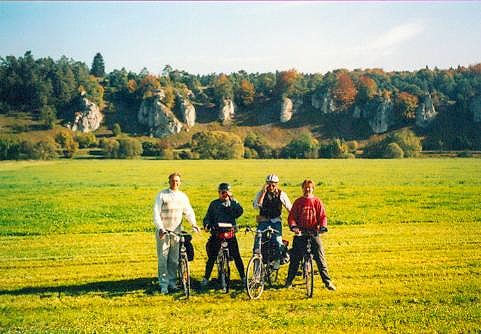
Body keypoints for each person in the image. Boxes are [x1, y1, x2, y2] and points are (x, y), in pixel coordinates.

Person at [153, 172, 200, 294]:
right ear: (169, 182)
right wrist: (160, 228)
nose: (175, 182)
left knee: (174, 259)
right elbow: (156, 213)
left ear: (180, 182)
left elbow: (188, 211)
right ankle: (163, 284)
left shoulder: (183, 197)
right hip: (164, 232)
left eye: (177, 180)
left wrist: (194, 224)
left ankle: (172, 283)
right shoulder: (162, 195)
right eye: (173, 180)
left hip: (176, 232)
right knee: (163, 258)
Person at [285, 179, 336, 291]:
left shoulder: (317, 202)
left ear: (313, 189)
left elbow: (323, 216)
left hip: (313, 232)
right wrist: (294, 226)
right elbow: (292, 217)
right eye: (305, 187)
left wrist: (322, 226)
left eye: (310, 187)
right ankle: (289, 281)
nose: (307, 189)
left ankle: (327, 282)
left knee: (320, 257)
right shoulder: (298, 202)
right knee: (295, 258)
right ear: (302, 188)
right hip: (301, 233)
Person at [201, 182, 245, 287]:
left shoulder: (233, 203)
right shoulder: (214, 204)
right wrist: (207, 225)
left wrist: (233, 200)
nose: (224, 194)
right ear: (219, 193)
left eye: (226, 192)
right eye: (222, 192)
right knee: (212, 257)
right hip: (217, 234)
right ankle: (206, 278)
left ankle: (243, 277)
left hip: (230, 234)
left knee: (237, 256)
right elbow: (207, 217)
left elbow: (239, 212)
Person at [252, 174, 292, 269]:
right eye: (269, 185)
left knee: (278, 241)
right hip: (264, 220)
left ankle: (277, 260)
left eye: (273, 185)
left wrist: (294, 219)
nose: (271, 187)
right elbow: (256, 206)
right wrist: (263, 193)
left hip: (275, 221)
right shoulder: (261, 193)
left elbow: (289, 208)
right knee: (258, 242)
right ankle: (257, 266)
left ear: (277, 185)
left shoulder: (281, 194)